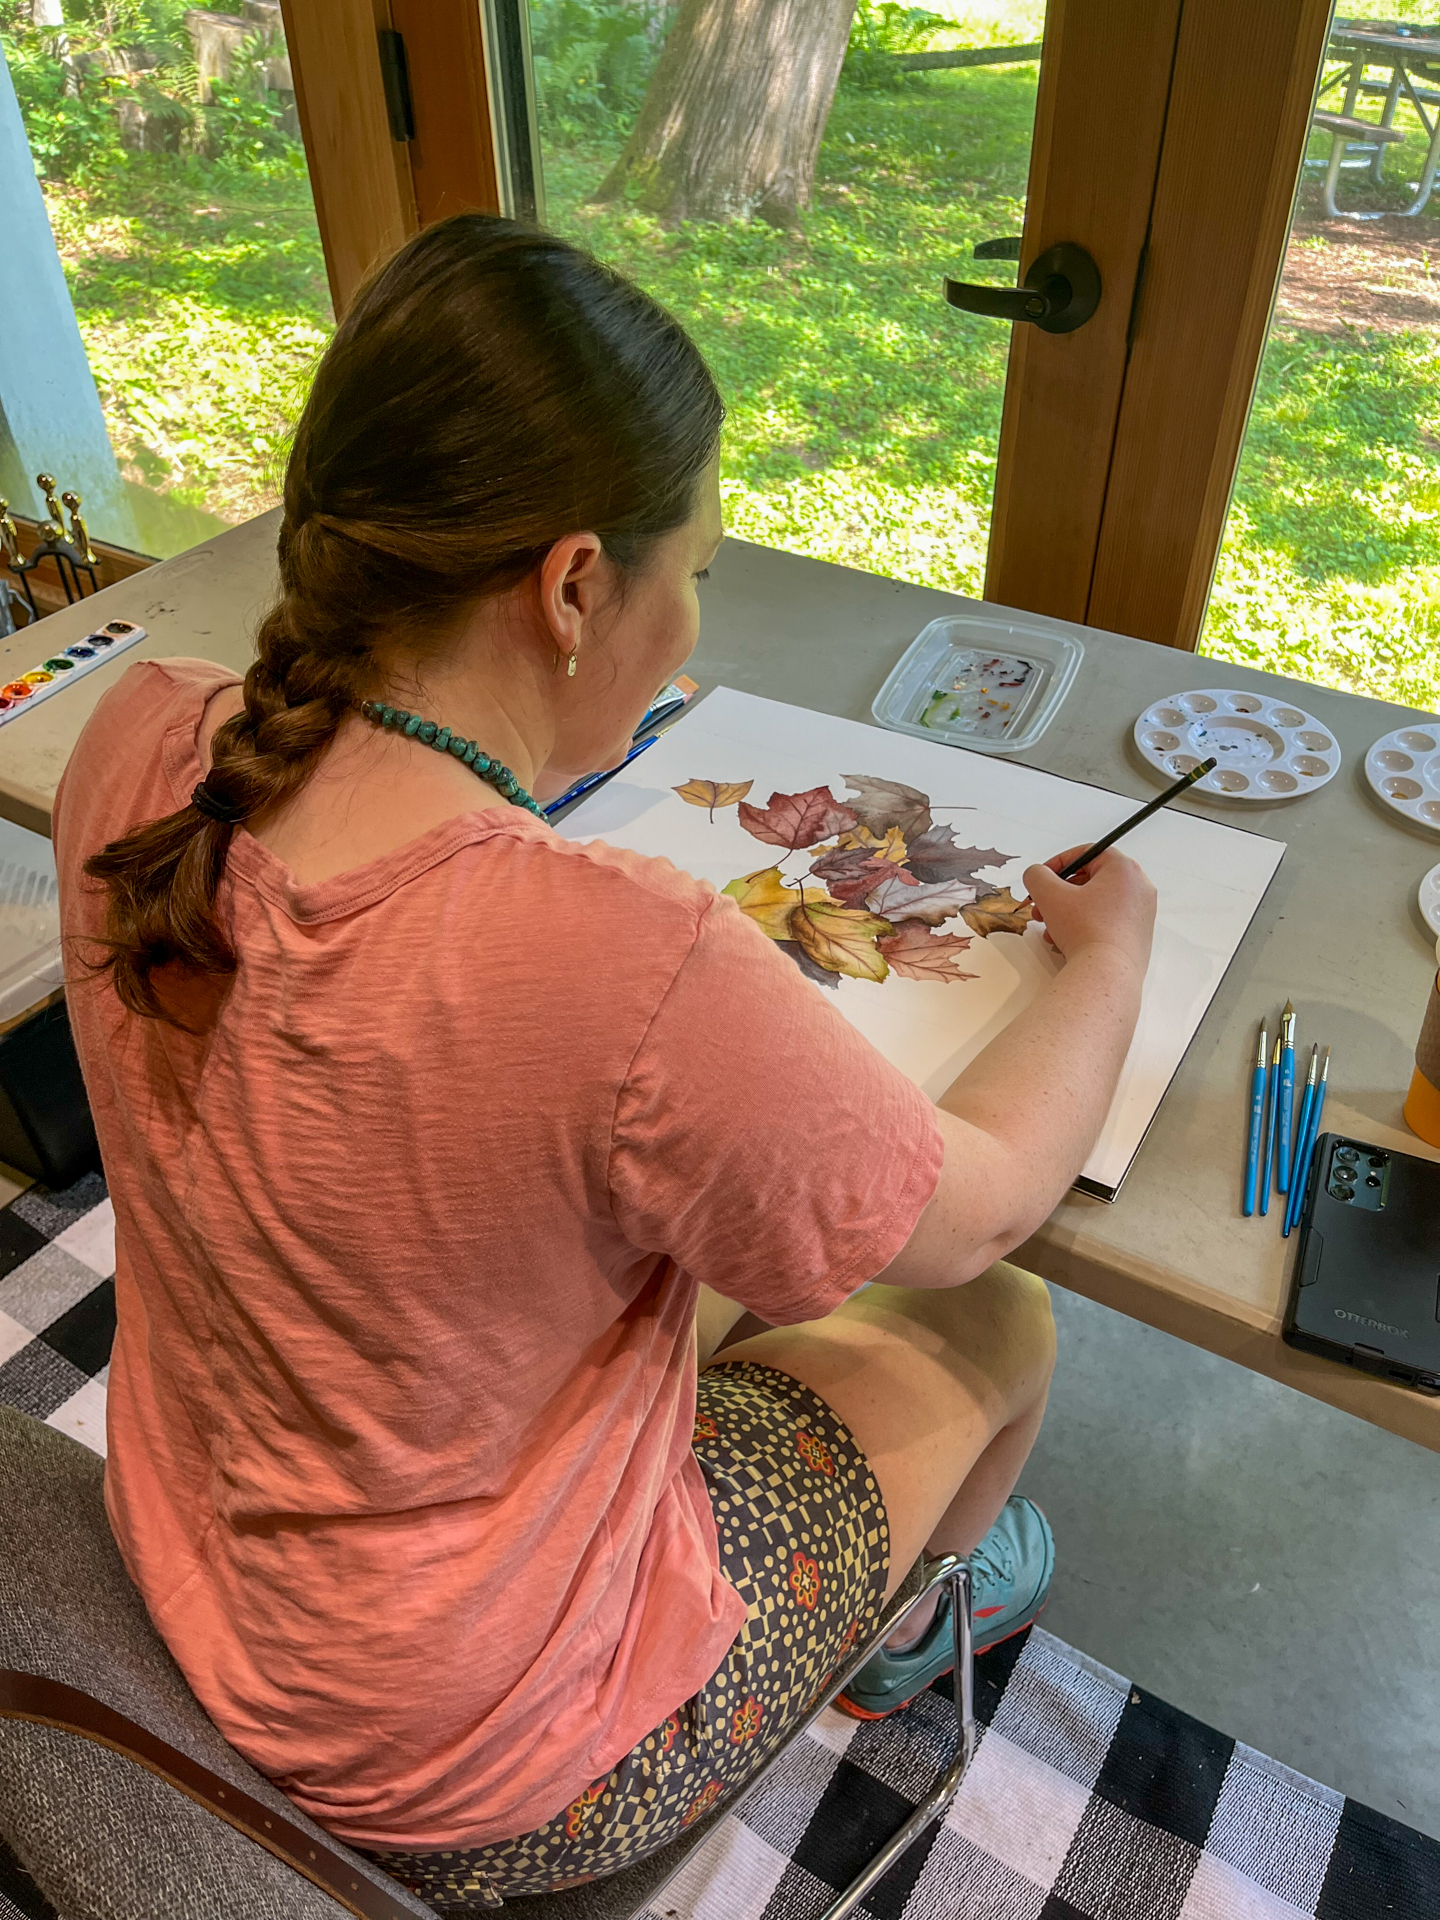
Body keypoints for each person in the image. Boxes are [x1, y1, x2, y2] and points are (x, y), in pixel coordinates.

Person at [54, 214, 1155, 1913]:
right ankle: (918, 1619)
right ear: (573, 586)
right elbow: (979, 1218)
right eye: (695, 569)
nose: (694, 634)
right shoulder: (618, 953)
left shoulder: (141, 733)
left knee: (720, 1269)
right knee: (997, 1325)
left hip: (201, 1551)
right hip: (475, 1756)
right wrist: (1117, 958)